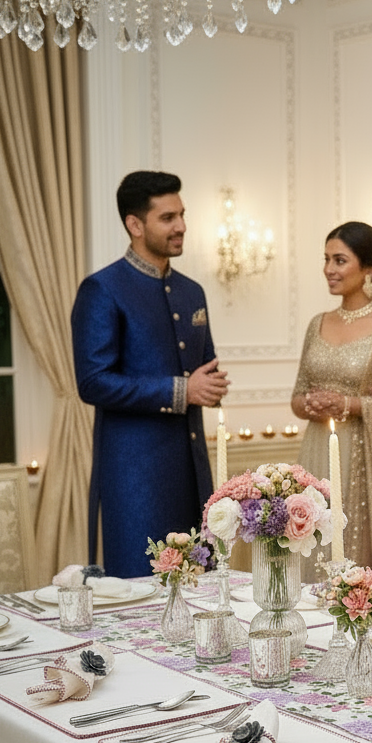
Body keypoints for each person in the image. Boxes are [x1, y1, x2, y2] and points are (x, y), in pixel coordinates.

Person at [72, 171, 228, 579]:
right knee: (139, 594)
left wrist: (209, 387)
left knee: (200, 591)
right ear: (135, 224)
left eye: (182, 214)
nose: (181, 226)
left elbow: (202, 366)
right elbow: (92, 381)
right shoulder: (103, 289)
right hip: (134, 477)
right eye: (167, 217)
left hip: (193, 470)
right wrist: (182, 390)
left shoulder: (192, 291)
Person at [291, 221, 372, 573]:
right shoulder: (317, 323)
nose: (329, 270)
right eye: (326, 259)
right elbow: (297, 397)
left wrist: (347, 405)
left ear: (369, 270)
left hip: (363, 462)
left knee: (350, 559)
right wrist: (312, 404)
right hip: (317, 451)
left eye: (339, 260)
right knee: (313, 547)